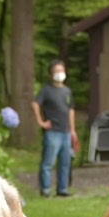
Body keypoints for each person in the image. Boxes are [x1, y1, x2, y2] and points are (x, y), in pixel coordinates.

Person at [31, 59, 76, 197]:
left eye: (61, 70)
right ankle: (45, 190)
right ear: (51, 74)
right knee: (48, 163)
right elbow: (35, 103)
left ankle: (62, 189)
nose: (59, 74)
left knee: (65, 163)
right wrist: (41, 122)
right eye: (56, 71)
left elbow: (71, 110)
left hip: (66, 132)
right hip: (52, 132)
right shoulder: (46, 90)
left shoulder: (67, 91)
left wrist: (72, 130)